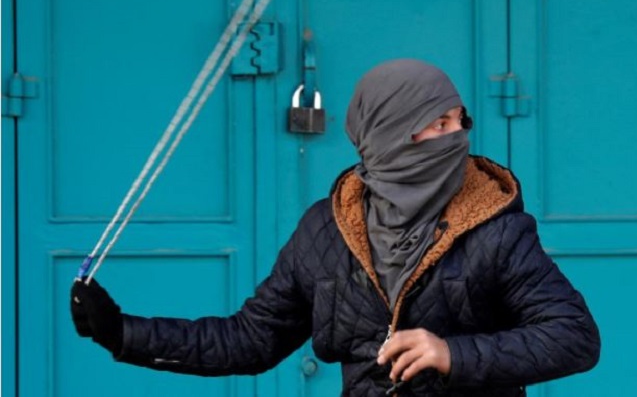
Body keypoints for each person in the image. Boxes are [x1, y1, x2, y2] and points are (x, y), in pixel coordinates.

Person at [71, 59, 601, 396]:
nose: (457, 135)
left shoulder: (496, 229)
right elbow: (250, 339)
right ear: (390, 135)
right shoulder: (324, 231)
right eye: (437, 125)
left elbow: (575, 338)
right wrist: (123, 333)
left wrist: (451, 353)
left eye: (459, 121)